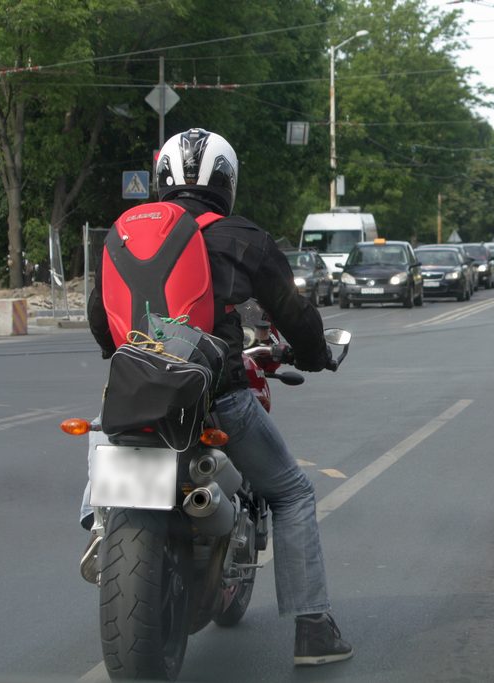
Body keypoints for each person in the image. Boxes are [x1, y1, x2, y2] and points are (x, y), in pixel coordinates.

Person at [83, 128, 353, 666]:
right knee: (293, 493)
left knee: (103, 439)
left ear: (161, 178)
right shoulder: (242, 236)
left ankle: (99, 526)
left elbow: (99, 316)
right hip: (217, 398)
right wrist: (315, 353)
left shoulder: (128, 235)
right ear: (227, 181)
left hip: (137, 393)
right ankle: (313, 631)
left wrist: (129, 353)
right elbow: (293, 311)